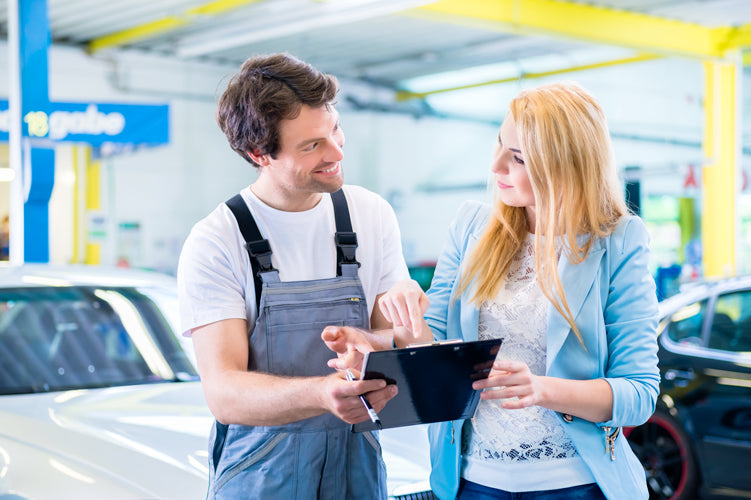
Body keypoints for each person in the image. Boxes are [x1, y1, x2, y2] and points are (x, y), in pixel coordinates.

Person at [354, 82, 660, 500]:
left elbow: (638, 393)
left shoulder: (620, 240)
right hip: (471, 482)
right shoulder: (470, 227)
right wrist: (406, 315)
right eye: (499, 143)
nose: (496, 166)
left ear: (565, 166)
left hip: (577, 486)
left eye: (517, 157)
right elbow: (434, 349)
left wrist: (542, 389)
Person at [177, 53, 408, 499]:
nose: (337, 153)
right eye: (311, 146)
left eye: (335, 130)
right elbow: (224, 393)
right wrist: (323, 393)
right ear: (258, 153)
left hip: (358, 464)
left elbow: (391, 339)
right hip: (260, 471)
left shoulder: (371, 215)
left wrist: (389, 350)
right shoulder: (216, 241)